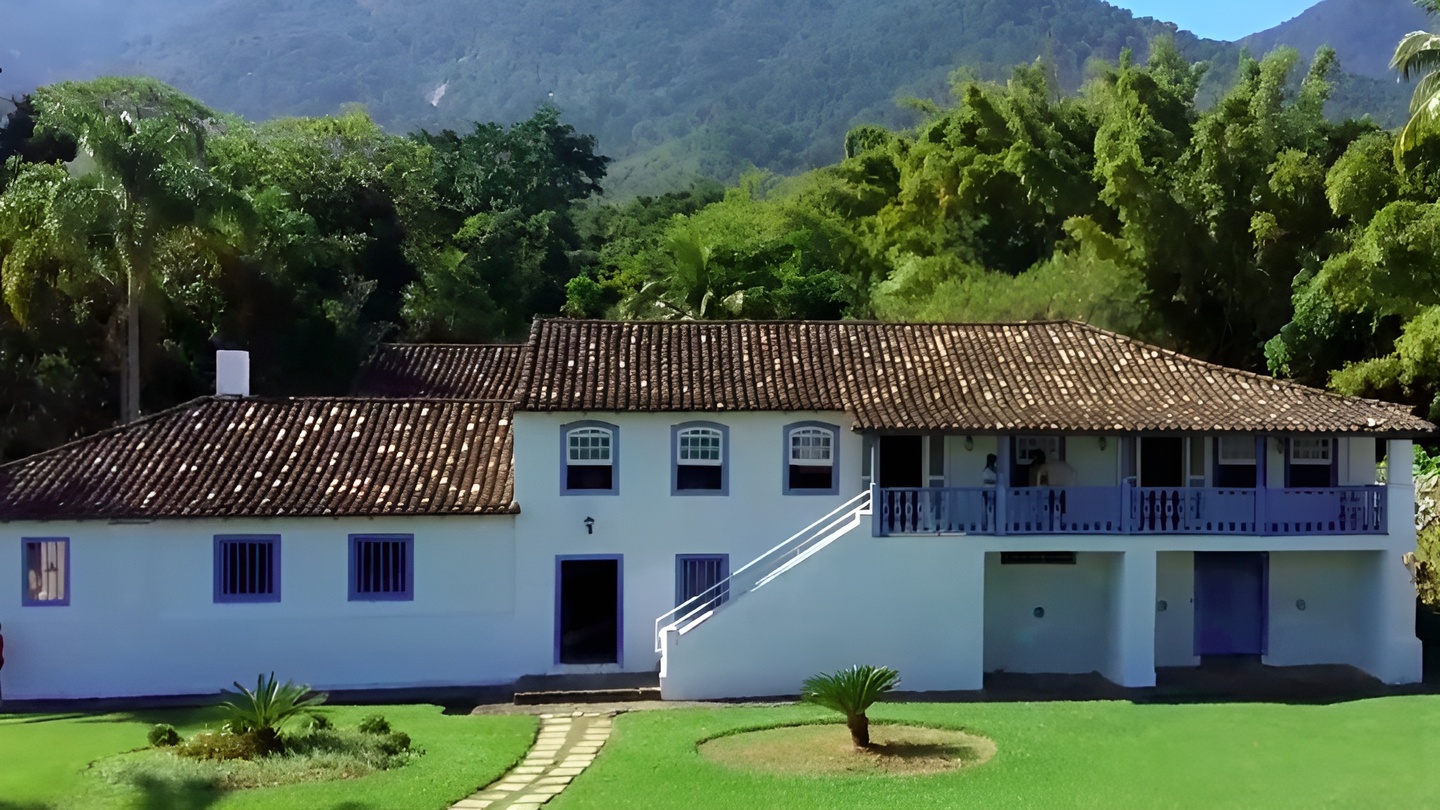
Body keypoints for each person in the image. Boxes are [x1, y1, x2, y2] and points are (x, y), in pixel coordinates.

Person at [981, 454, 998, 531]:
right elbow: (989, 480)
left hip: (994, 491)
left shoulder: (994, 469)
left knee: (995, 508)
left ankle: (994, 524)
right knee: (988, 508)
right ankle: (988, 525)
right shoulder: (986, 471)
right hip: (987, 491)